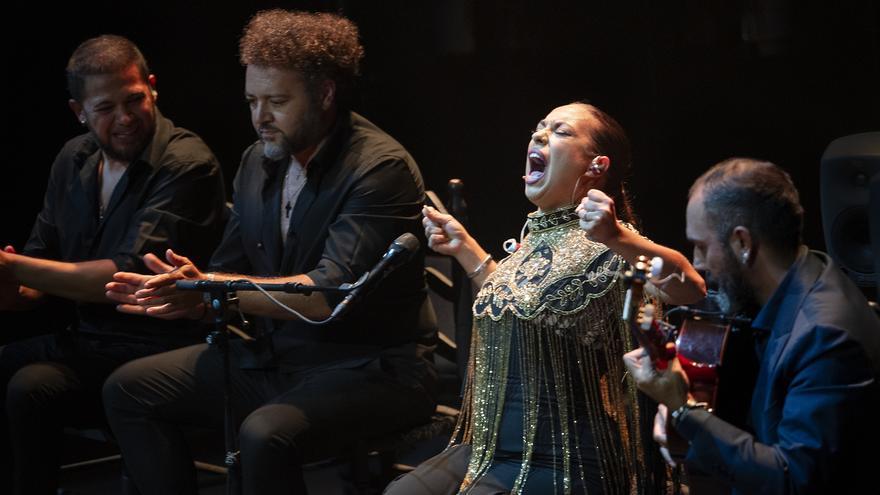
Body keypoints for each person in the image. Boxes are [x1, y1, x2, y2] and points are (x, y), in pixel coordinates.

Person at [102, 10, 437, 495]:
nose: (260, 118)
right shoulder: (258, 161)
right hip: (280, 358)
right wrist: (192, 285)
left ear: (324, 94)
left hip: (371, 368)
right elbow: (227, 268)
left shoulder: (378, 168)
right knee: (129, 389)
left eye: (277, 101)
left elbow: (329, 295)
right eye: (252, 101)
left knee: (263, 434)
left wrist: (213, 291)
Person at [384, 102, 706, 495]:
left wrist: (616, 237)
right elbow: (521, 308)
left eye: (561, 131)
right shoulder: (537, 238)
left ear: (596, 166)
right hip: (492, 445)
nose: (538, 135)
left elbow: (690, 288)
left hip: (562, 455)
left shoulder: (613, 242)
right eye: (539, 127)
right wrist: (466, 248)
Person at [0, 34, 226, 495]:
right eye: (105, 108)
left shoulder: (186, 161)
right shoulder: (72, 159)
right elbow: (37, 275)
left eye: (134, 100)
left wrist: (14, 269)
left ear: (153, 87)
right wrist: (8, 281)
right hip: (90, 343)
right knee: (17, 372)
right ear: (78, 112)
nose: (124, 118)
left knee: (31, 384)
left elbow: (123, 277)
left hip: (163, 346)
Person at [623, 158, 880, 494]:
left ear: (742, 243)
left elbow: (792, 480)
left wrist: (684, 411)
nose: (698, 264)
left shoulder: (826, 334)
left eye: (701, 247)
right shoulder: (806, 275)